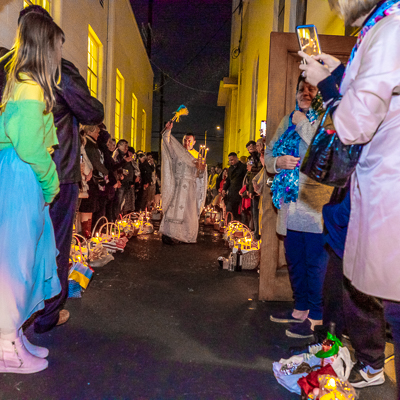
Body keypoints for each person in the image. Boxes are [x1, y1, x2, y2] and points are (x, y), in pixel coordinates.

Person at [299, 0, 400, 390]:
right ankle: (368, 360)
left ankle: (372, 362)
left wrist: (326, 84)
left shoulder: (390, 28)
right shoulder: (380, 27)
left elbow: (354, 123)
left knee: (384, 290)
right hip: (373, 183)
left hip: (387, 182)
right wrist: (339, 73)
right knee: (366, 281)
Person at [0, 5, 105, 334]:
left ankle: (14, 327)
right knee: (52, 248)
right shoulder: (54, 69)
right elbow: (91, 111)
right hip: (52, 171)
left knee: (13, 249)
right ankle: (42, 317)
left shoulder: (6, 64)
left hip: (10, 172)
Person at [0, 12, 63, 373]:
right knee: (15, 259)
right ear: (43, 46)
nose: (58, 55)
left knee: (27, 254)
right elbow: (30, 146)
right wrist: (50, 180)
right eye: (55, 46)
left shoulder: (22, 83)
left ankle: (13, 335)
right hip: (23, 174)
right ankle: (6, 345)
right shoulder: (30, 87)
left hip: (21, 173)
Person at [266, 74, 333, 339]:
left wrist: (304, 125)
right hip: (290, 205)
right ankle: (300, 309)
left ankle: (316, 317)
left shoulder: (327, 120)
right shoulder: (287, 120)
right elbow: (269, 153)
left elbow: (326, 158)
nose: (306, 93)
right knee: (294, 260)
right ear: (296, 93)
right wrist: (277, 162)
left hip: (315, 206)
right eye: (301, 89)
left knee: (316, 264)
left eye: (312, 89)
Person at [160, 123, 207, 244]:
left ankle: (185, 235)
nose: (187, 142)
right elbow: (166, 144)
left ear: (194, 142)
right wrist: (168, 131)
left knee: (188, 213)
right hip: (176, 186)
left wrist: (201, 169)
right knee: (172, 210)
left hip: (189, 188)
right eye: (185, 140)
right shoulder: (177, 152)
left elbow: (201, 177)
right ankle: (170, 234)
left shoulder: (198, 156)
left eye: (189, 140)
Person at [79, 125, 108, 237]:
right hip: (86, 180)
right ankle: (85, 237)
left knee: (89, 209)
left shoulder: (88, 144)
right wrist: (87, 170)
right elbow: (82, 158)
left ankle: (87, 235)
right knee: (86, 209)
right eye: (97, 132)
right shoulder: (87, 145)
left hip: (87, 179)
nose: (98, 134)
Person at [222, 152, 247, 220]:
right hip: (231, 193)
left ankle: (237, 226)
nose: (231, 161)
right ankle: (229, 225)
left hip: (239, 192)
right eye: (230, 160)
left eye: (232, 160)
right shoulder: (230, 169)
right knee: (229, 210)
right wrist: (224, 189)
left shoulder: (243, 167)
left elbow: (245, 180)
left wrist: (243, 190)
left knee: (239, 213)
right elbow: (228, 180)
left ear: (236, 158)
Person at [246, 140, 263, 240]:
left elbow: (262, 170)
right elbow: (249, 174)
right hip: (253, 187)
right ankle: (256, 233)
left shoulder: (260, 156)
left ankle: (258, 233)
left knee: (258, 212)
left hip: (260, 187)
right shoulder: (251, 158)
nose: (251, 148)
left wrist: (251, 169)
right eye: (248, 147)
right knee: (254, 212)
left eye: (253, 146)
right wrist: (249, 190)